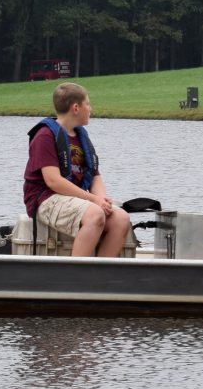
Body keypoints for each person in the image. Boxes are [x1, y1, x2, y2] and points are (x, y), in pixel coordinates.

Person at [23, 82, 131, 258]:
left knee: (121, 219)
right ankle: (77, 277)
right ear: (76, 108)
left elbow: (94, 174)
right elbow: (53, 181)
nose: (90, 108)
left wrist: (102, 198)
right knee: (95, 215)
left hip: (75, 198)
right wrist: (94, 200)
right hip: (44, 198)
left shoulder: (81, 136)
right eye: (87, 104)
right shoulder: (44, 136)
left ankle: (99, 278)